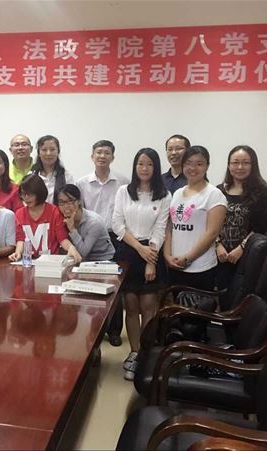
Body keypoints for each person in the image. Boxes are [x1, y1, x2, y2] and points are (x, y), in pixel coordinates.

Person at [112, 148, 171, 381]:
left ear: (155, 168)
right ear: (135, 167)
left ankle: (146, 353)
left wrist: (151, 260)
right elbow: (117, 224)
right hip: (128, 250)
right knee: (131, 305)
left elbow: (160, 229)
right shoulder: (123, 191)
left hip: (152, 251)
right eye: (140, 164)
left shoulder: (164, 195)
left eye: (149, 164)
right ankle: (134, 353)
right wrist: (139, 248)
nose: (144, 168)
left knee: (148, 306)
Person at [76, 139, 129, 346]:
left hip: (115, 236)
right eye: (98, 152)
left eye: (107, 153)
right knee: (90, 284)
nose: (102, 156)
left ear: (112, 157)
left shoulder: (123, 181)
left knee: (114, 285)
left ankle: (114, 331)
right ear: (92, 156)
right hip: (89, 238)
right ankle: (93, 329)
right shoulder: (82, 183)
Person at [164, 145, 227, 291]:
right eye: (188, 163)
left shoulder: (214, 194)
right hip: (175, 265)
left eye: (199, 164)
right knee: (177, 305)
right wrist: (167, 255)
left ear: (207, 166)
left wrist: (188, 258)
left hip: (200, 268)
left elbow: (212, 233)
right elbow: (169, 227)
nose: (193, 168)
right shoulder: (177, 193)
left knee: (197, 306)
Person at [215, 145, 267, 304]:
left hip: (246, 256)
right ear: (229, 165)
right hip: (219, 255)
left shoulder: (260, 192)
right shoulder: (218, 191)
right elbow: (211, 223)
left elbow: (260, 227)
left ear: (253, 165)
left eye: (245, 163)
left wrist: (241, 248)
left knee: (242, 301)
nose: (240, 167)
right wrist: (218, 245)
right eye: (235, 162)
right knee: (222, 299)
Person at [8, 174, 81, 263]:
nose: (26, 197)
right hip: (28, 262)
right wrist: (17, 253)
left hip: (50, 262)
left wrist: (70, 247)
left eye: (30, 194)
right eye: (23, 194)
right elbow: (21, 239)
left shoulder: (54, 211)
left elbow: (62, 238)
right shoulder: (19, 213)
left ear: (39, 192)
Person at [56, 184, 115, 261]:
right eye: (62, 202)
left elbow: (83, 252)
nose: (66, 206)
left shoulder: (94, 222)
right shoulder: (61, 218)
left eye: (70, 201)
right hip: (78, 260)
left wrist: (72, 229)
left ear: (79, 201)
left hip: (102, 259)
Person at [32, 135, 74, 203]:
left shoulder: (67, 176)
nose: (48, 153)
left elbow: (71, 201)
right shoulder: (31, 176)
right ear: (39, 153)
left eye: (52, 149)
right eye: (44, 150)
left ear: (58, 152)